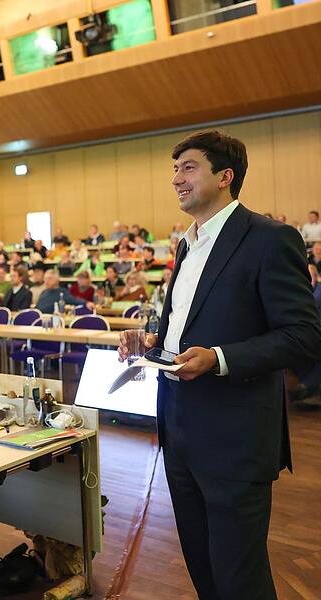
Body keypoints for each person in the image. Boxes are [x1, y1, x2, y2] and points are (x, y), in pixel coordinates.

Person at [118, 131, 321, 600]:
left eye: (188, 168)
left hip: (235, 437)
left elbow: (304, 334)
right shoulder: (187, 246)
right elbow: (186, 330)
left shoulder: (270, 239)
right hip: (180, 430)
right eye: (174, 170)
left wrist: (220, 359)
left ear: (225, 177)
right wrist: (153, 341)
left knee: (239, 577)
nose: (176, 179)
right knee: (204, 568)